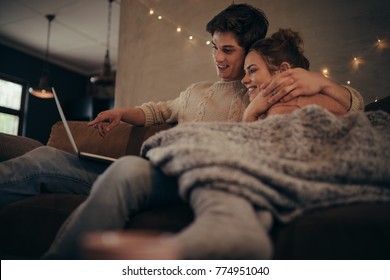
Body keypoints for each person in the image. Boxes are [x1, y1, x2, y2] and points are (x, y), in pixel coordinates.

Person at [0, 3, 361, 257]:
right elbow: (161, 110)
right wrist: (122, 112)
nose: (218, 57)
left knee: (127, 171)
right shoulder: (197, 91)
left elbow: (350, 109)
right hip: (153, 165)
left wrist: (327, 85)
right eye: (214, 48)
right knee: (46, 157)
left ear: (251, 50)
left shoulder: (265, 89)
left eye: (228, 50)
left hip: (189, 177)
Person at [242, 28, 348, 122]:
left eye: (252, 70)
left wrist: (249, 115)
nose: (244, 80)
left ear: (283, 70)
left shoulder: (284, 110)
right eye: (245, 73)